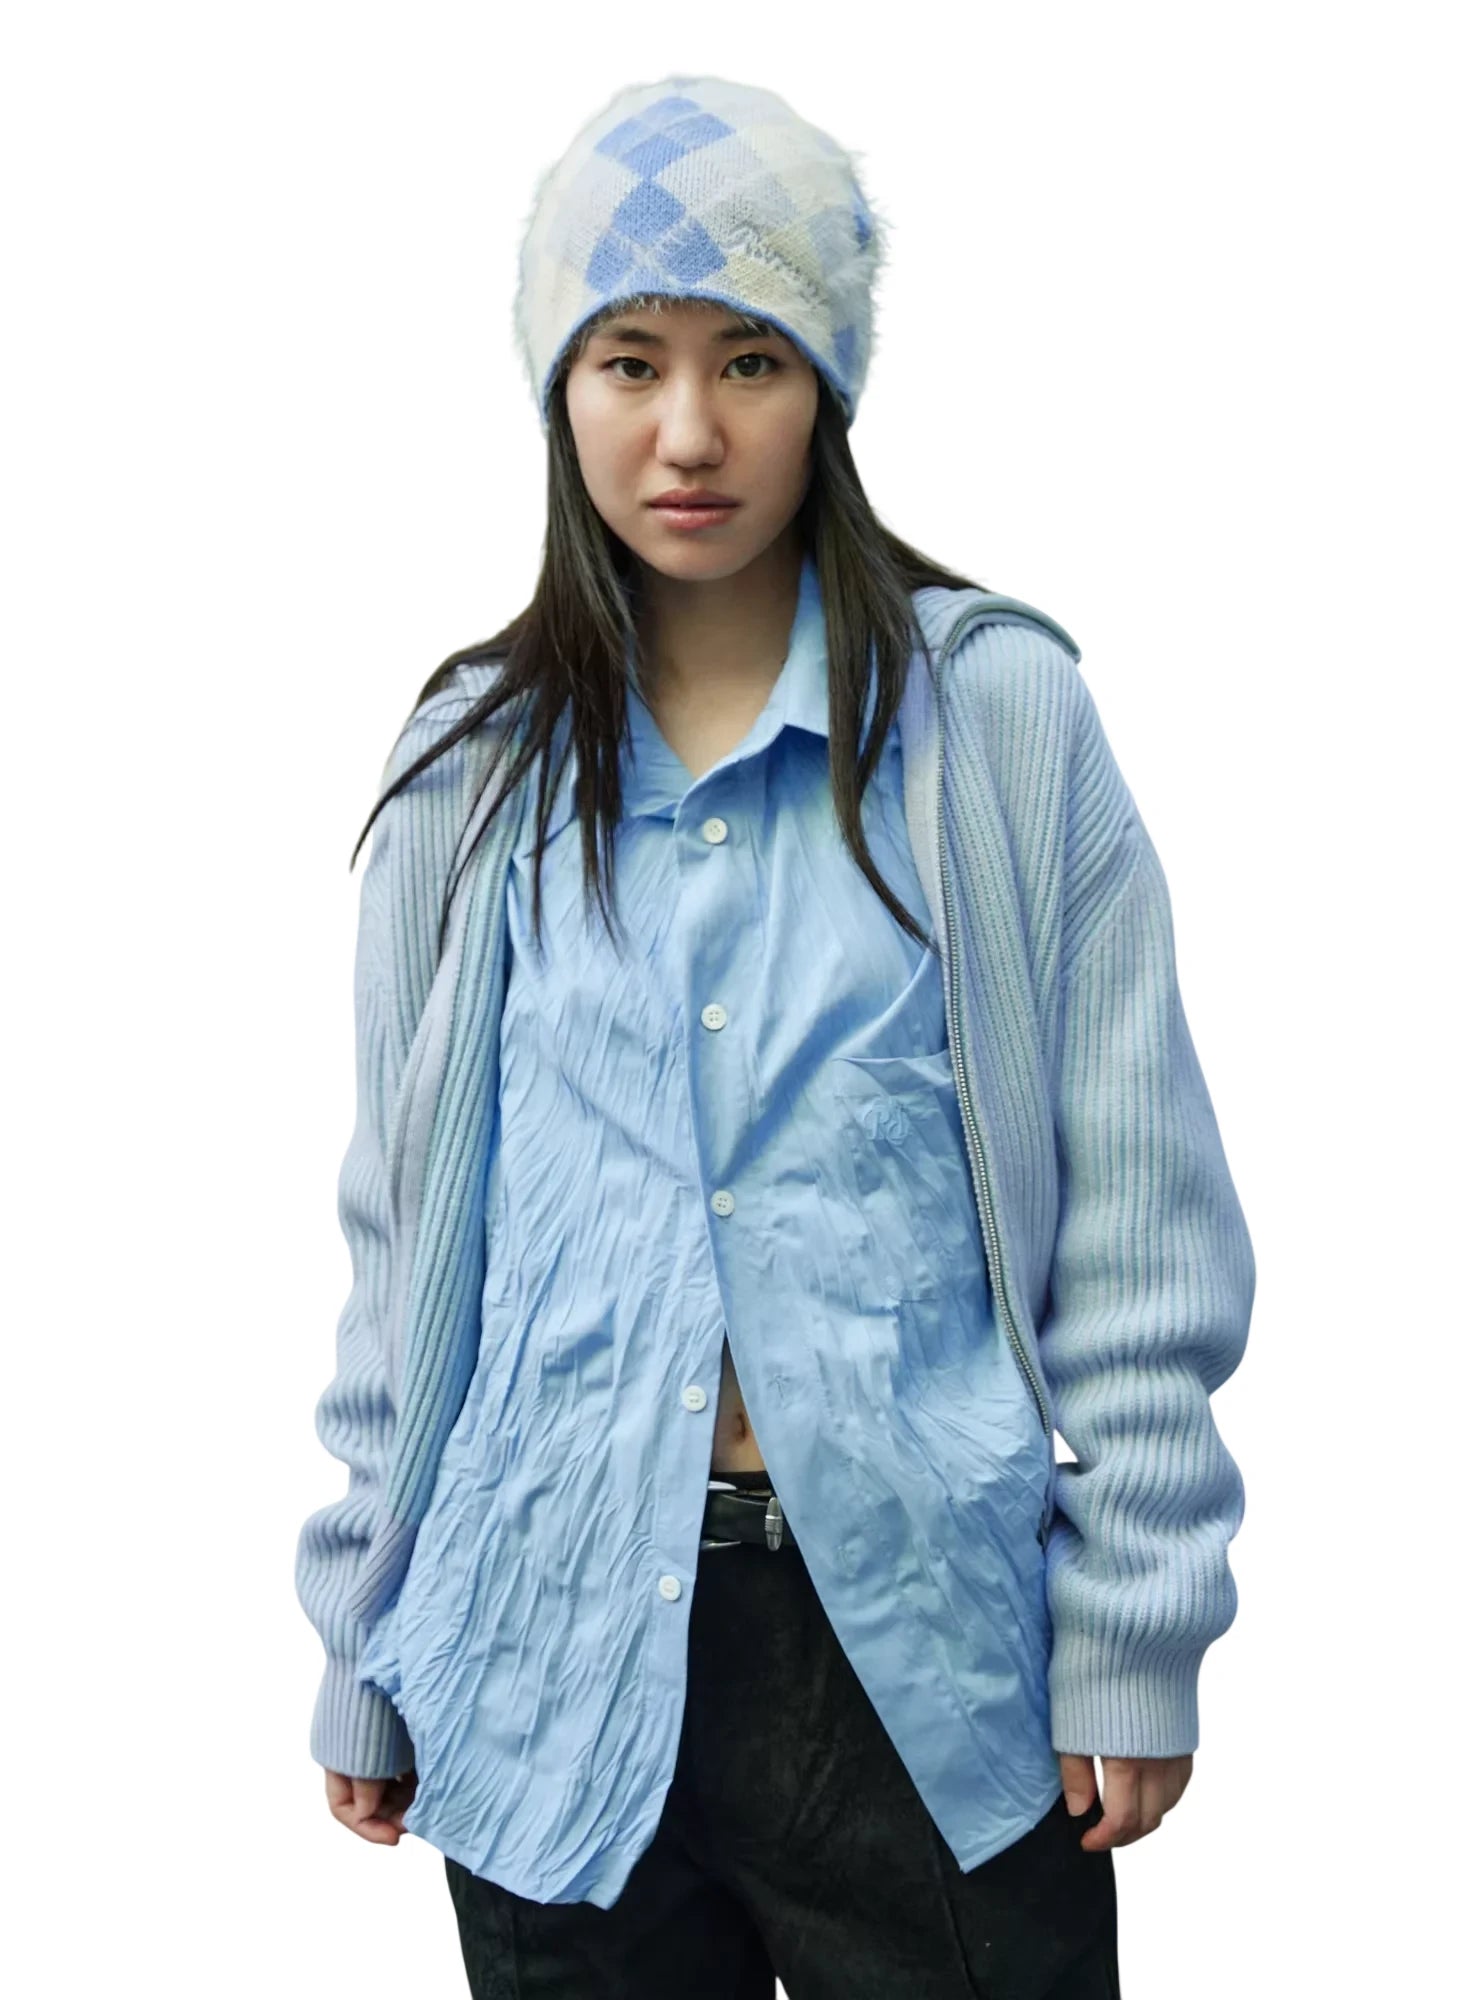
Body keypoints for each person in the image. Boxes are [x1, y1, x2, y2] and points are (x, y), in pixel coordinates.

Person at [293, 71, 1256, 1999]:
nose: (688, 432)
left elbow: (1138, 1213)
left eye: (751, 360)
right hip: (543, 1650)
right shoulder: (469, 771)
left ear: (829, 385)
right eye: (627, 362)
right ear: (557, 391)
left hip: (920, 1655)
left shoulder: (997, 723)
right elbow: (413, 1256)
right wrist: (363, 1634)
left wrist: (1137, 1620)